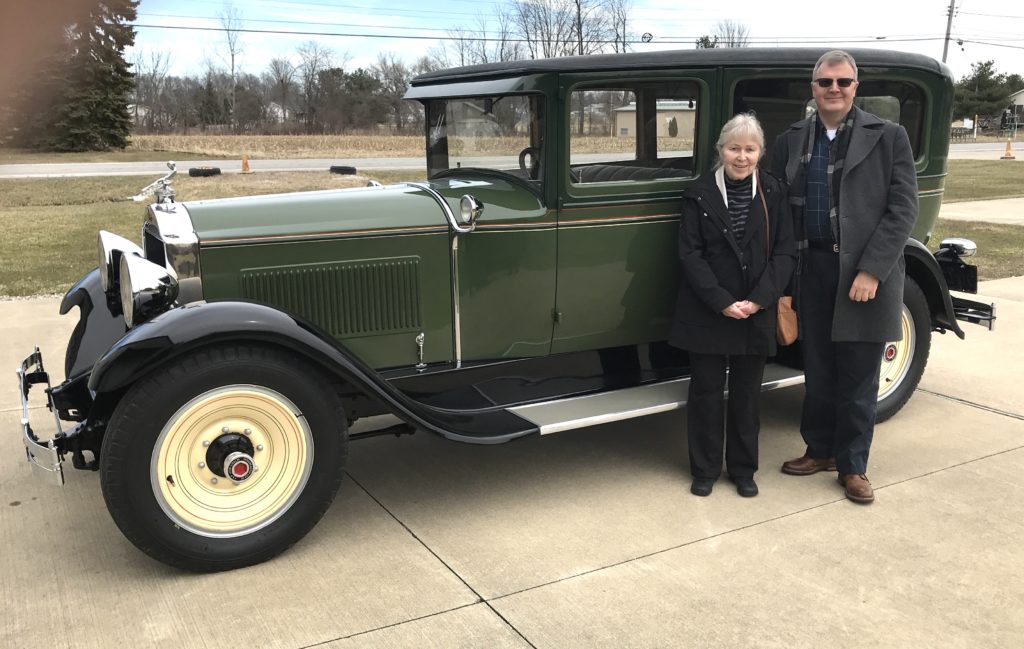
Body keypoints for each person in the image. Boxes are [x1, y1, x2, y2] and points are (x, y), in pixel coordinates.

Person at [772, 50, 918, 504]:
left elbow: (902, 210)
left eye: (843, 82)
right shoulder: (791, 139)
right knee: (818, 369)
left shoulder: (888, 136)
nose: (833, 89)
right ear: (812, 88)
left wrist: (872, 270)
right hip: (809, 267)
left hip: (862, 273)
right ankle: (818, 450)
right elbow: (779, 208)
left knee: (858, 374)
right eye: (824, 82)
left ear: (856, 87)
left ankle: (853, 466)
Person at [671, 113, 796, 498]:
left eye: (750, 149)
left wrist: (760, 299)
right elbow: (690, 254)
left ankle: (743, 470)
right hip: (709, 311)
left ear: (760, 152)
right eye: (734, 148)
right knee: (706, 393)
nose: (741, 156)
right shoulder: (698, 194)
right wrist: (722, 302)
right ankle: (705, 469)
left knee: (746, 396)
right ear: (721, 150)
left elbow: (785, 252)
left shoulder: (774, 193)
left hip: (755, 313)